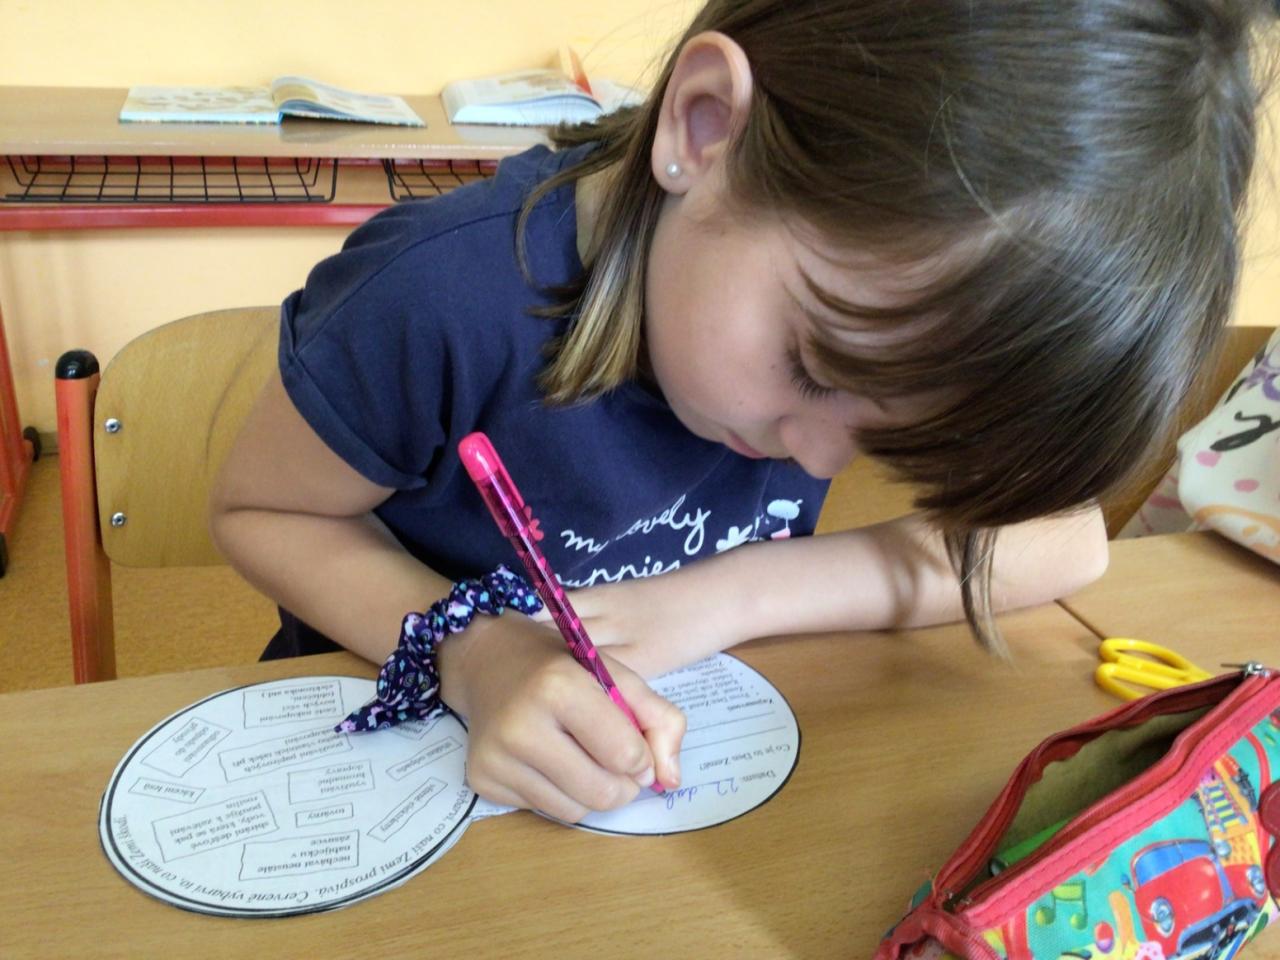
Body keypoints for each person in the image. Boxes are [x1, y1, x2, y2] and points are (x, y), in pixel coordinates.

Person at [210, 0, 1270, 823]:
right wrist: (472, 652)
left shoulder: (861, 304)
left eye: (890, 432)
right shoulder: (437, 300)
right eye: (810, 367)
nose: (819, 455)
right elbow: (264, 513)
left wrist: (730, 597)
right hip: (366, 761)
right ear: (704, 125)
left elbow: (1065, 541)